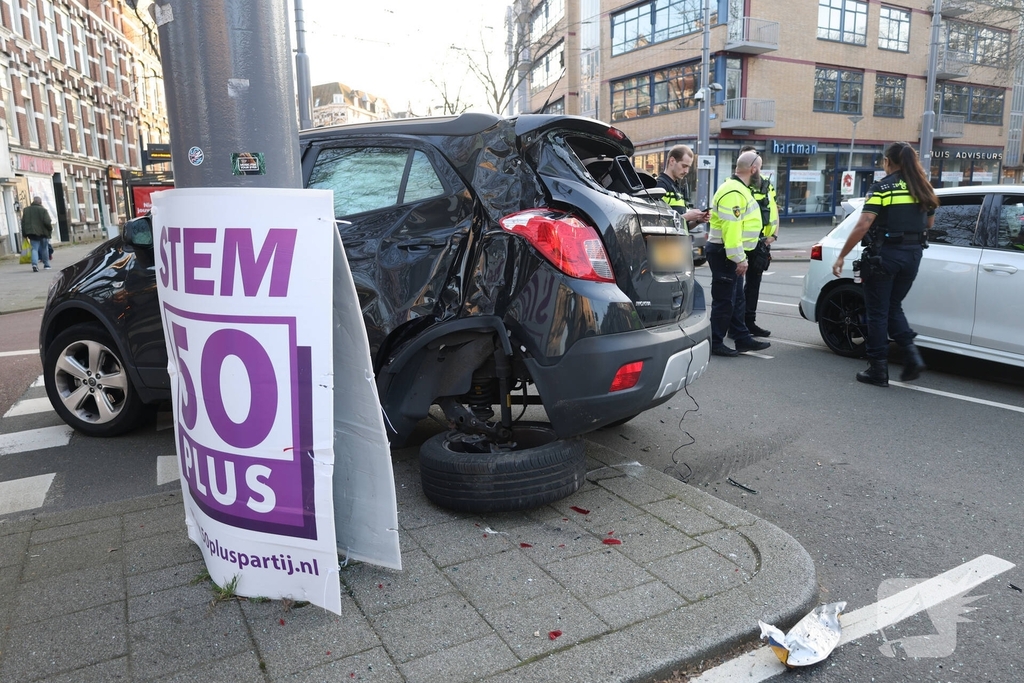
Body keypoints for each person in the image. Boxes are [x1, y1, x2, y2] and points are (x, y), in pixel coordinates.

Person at [832, 141, 939, 387]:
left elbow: (863, 224)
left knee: (878, 313)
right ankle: (911, 355)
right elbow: (929, 225)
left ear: (888, 162)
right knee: (893, 307)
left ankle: (878, 369)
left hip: (885, 257)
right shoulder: (924, 188)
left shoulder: (883, 188)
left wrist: (841, 256)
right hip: (913, 256)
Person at [706, 151, 771, 357]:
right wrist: (740, 258)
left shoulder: (739, 189)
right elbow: (731, 230)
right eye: (759, 169)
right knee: (725, 300)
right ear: (753, 169)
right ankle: (715, 342)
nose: (759, 173)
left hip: (730, 254)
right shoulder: (733, 192)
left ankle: (742, 338)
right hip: (725, 254)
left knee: (736, 298)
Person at [738, 145, 779, 337]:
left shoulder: (766, 184)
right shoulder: (736, 185)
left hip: (761, 243)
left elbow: (773, 210)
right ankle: (735, 325)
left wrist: (773, 236)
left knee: (753, 286)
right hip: (740, 243)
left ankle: (749, 322)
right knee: (735, 289)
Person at [656, 144, 709, 227]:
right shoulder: (659, 186)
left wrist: (698, 221)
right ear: (672, 161)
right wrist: (687, 217)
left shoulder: (677, 188)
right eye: (684, 166)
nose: (687, 171)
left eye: (688, 167)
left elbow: (682, 227)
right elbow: (656, 223)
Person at [20, 196, 53, 272]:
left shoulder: (26, 210)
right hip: (43, 233)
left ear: (33, 201)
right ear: (40, 202)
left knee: (34, 249)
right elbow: (47, 222)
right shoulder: (43, 210)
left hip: (32, 233)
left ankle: (34, 264)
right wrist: (50, 229)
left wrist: (24, 233)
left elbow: (23, 223)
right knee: (44, 248)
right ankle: (46, 265)